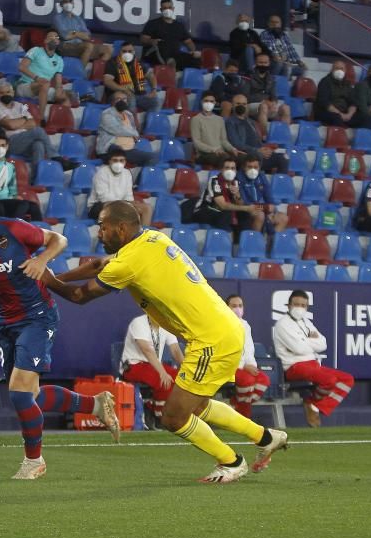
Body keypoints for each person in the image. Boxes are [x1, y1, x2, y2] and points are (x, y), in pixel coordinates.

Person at [47, 201, 288, 482]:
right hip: (223, 330)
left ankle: (232, 462)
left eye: (103, 226)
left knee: (173, 417)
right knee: (195, 406)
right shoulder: (153, 238)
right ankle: (266, 437)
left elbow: (79, 296)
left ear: (121, 228)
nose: (98, 233)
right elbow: (100, 265)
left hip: (210, 339)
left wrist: (46, 280)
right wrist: (55, 277)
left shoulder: (130, 262)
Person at [0, 181, 119, 479]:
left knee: (20, 394)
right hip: (7, 322)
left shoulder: (9, 228)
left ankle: (34, 462)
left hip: (38, 316)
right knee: (28, 396)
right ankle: (96, 404)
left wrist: (41, 259)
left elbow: (58, 240)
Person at [274, 290, 353, 428]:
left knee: (347, 379)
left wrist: (304, 341)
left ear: (307, 307)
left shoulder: (306, 322)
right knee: (329, 380)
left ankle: (315, 406)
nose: (299, 307)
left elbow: (323, 344)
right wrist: (311, 341)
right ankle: (312, 403)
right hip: (294, 366)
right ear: (288, 305)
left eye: (303, 305)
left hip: (313, 364)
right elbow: (298, 348)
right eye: (296, 304)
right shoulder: (282, 324)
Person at [119, 314, 183, 429]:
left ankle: (152, 407)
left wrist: (187, 370)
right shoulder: (138, 322)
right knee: (162, 379)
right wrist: (162, 372)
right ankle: (159, 417)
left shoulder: (167, 325)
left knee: (180, 378)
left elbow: (175, 350)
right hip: (133, 365)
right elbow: (146, 350)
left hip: (152, 365)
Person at [0, 82, 59, 177]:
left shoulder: (20, 106)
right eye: (2, 93)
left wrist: (17, 124)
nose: (5, 94)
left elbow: (33, 123)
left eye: (8, 92)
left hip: (26, 140)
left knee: (38, 145)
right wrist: (24, 119)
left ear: (13, 93)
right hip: (10, 142)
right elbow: (10, 125)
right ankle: (54, 157)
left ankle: (36, 178)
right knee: (38, 131)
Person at [0, 134, 42, 221]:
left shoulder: (10, 166)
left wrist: (15, 196)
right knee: (22, 205)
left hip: (7, 200)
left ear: (7, 147)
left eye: (3, 145)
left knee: (33, 206)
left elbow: (12, 188)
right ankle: (12, 226)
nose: (0, 148)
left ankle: (40, 232)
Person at [226, 294, 268, 419]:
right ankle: (244, 417)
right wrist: (243, 365)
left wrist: (250, 365)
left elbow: (249, 349)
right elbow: (228, 350)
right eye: (233, 306)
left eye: (240, 306)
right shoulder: (221, 324)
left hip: (244, 366)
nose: (237, 309)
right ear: (226, 307)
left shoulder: (245, 325)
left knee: (263, 380)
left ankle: (237, 404)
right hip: (229, 366)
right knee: (247, 381)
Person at [225, 94, 289, 174]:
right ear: (232, 105)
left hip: (259, 152)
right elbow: (236, 144)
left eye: (244, 104)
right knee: (257, 157)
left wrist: (264, 149)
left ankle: (279, 184)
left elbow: (257, 140)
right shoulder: (230, 122)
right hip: (247, 154)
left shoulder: (251, 122)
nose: (241, 106)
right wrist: (257, 151)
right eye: (238, 104)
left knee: (283, 158)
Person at [16, 30, 70, 122]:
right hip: (26, 86)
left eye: (56, 37)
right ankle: (40, 119)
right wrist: (37, 78)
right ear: (45, 41)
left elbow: (58, 81)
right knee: (45, 84)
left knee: (65, 97)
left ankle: (60, 124)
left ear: (58, 42)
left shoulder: (59, 59)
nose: (54, 39)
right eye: (51, 37)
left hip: (44, 89)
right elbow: (21, 67)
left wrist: (59, 90)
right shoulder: (36, 50)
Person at [87, 150, 152, 225]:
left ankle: (144, 235)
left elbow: (128, 195)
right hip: (98, 206)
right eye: (115, 160)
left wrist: (131, 203)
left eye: (121, 160)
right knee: (116, 208)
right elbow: (104, 198)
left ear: (125, 162)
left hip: (121, 203)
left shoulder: (127, 173)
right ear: (109, 161)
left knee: (146, 208)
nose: (118, 163)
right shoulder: (101, 173)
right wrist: (126, 203)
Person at [140, 0, 201, 70]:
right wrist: (152, 41)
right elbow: (143, 39)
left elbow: (188, 42)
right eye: (165, 8)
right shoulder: (153, 24)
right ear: (161, 10)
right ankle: (170, 67)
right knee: (163, 46)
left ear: (173, 9)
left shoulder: (179, 26)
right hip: (155, 53)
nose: (167, 10)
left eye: (169, 7)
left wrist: (193, 52)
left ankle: (179, 73)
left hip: (174, 55)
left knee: (195, 60)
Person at [96, 92, 154, 167]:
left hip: (129, 150)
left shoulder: (129, 114)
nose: (122, 101)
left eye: (124, 99)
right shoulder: (106, 114)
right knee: (117, 152)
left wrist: (134, 135)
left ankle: (142, 177)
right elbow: (118, 130)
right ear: (112, 102)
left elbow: (133, 130)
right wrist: (134, 133)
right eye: (118, 99)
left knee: (153, 157)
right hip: (110, 149)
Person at [102, 42, 162, 114]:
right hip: (118, 94)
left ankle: (151, 124)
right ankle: (130, 123)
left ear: (134, 52)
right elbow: (107, 81)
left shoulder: (139, 63)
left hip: (138, 94)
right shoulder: (112, 63)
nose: (127, 53)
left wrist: (154, 89)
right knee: (130, 98)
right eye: (124, 51)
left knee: (155, 102)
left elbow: (151, 76)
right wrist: (123, 88)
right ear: (119, 52)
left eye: (130, 51)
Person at [189, 157, 246, 233]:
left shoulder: (236, 182)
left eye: (233, 168)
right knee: (226, 213)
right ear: (221, 170)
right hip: (205, 210)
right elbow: (222, 205)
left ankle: (242, 240)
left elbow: (241, 204)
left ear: (236, 170)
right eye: (227, 168)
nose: (230, 171)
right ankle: (222, 239)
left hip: (221, 212)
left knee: (245, 214)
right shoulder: (214, 180)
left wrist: (237, 194)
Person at [52, 0, 109, 69]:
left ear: (73, 4)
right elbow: (65, 36)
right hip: (65, 47)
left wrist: (74, 33)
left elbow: (87, 36)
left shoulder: (78, 19)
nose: (68, 4)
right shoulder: (58, 18)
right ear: (61, 4)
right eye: (65, 2)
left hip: (79, 46)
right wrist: (79, 34)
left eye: (70, 2)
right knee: (88, 46)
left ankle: (99, 75)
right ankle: (79, 73)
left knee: (107, 49)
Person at [237, 152, 289, 234]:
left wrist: (271, 210)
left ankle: (271, 243)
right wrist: (265, 208)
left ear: (259, 167)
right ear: (244, 167)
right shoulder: (239, 178)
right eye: (249, 167)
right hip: (245, 211)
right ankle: (255, 243)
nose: (252, 170)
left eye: (255, 167)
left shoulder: (261, 176)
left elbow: (268, 196)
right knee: (260, 215)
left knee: (283, 218)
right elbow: (245, 202)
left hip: (261, 208)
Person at [245, 54, 290, 134]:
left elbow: (273, 95)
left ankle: (283, 135)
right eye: (260, 62)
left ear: (269, 64)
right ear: (255, 63)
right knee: (264, 106)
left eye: (265, 63)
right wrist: (264, 101)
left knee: (285, 108)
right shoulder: (248, 76)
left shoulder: (271, 78)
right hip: (251, 105)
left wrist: (273, 103)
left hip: (267, 105)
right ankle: (264, 135)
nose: (263, 64)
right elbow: (246, 96)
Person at [191, 92, 238, 167]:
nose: (209, 103)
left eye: (211, 101)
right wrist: (213, 150)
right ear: (201, 102)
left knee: (241, 158)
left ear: (215, 103)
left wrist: (232, 149)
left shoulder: (220, 119)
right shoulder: (196, 119)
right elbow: (197, 143)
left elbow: (223, 140)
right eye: (206, 101)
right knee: (226, 159)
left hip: (220, 153)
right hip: (204, 154)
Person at [315, 61, 367, 128]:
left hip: (345, 114)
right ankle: (341, 137)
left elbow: (353, 102)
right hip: (327, 113)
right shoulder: (325, 82)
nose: (339, 70)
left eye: (342, 68)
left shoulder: (347, 84)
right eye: (337, 68)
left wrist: (349, 115)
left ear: (345, 71)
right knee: (337, 118)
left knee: (366, 117)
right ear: (332, 70)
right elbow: (325, 103)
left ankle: (365, 137)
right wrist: (341, 114)